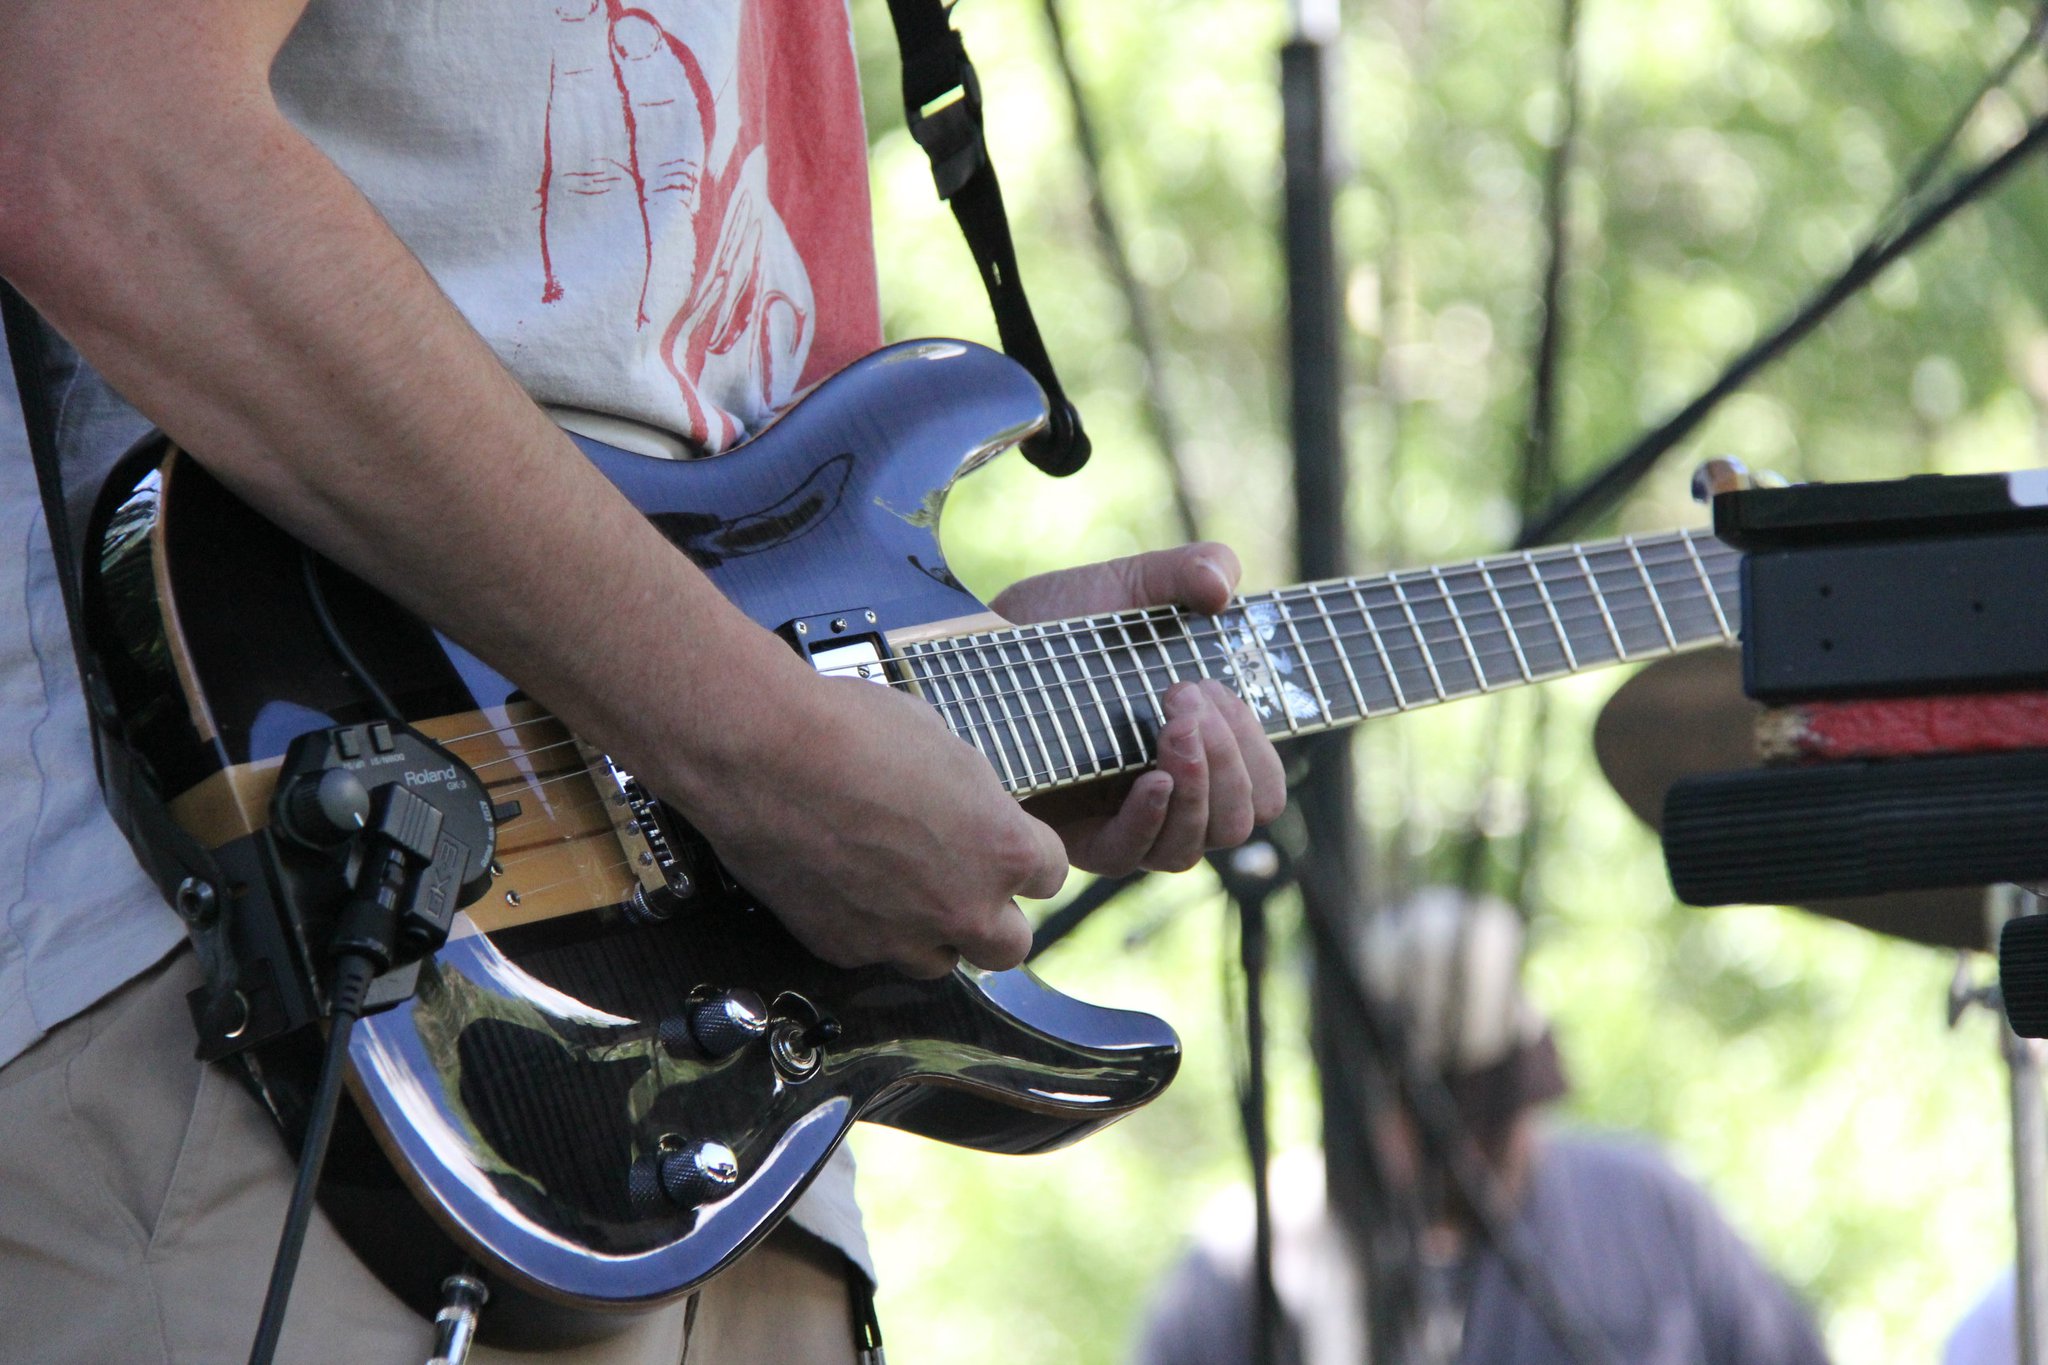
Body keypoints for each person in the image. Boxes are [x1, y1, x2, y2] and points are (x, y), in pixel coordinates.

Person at [0, 5, 1287, 1361]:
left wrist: (940, 708)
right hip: (254, 992)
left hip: (740, 1116)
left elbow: (715, 500)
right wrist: (765, 748)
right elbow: (101, 133)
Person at [1132, 888, 1830, 1365]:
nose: (1474, 1147)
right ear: (1363, 1107)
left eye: (1495, 1110)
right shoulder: (1247, 1262)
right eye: (1439, 1115)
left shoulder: (1649, 1210)